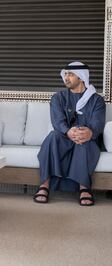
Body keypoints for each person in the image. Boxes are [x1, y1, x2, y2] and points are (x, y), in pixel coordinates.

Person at [35, 62, 106, 206]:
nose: (66, 78)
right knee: (52, 137)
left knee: (84, 142)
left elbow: (97, 123)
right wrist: (68, 131)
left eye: (70, 74)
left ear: (81, 77)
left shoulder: (96, 100)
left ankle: (84, 188)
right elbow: (57, 120)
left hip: (87, 138)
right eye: (65, 74)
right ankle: (44, 185)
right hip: (64, 135)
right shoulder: (58, 97)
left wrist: (88, 132)